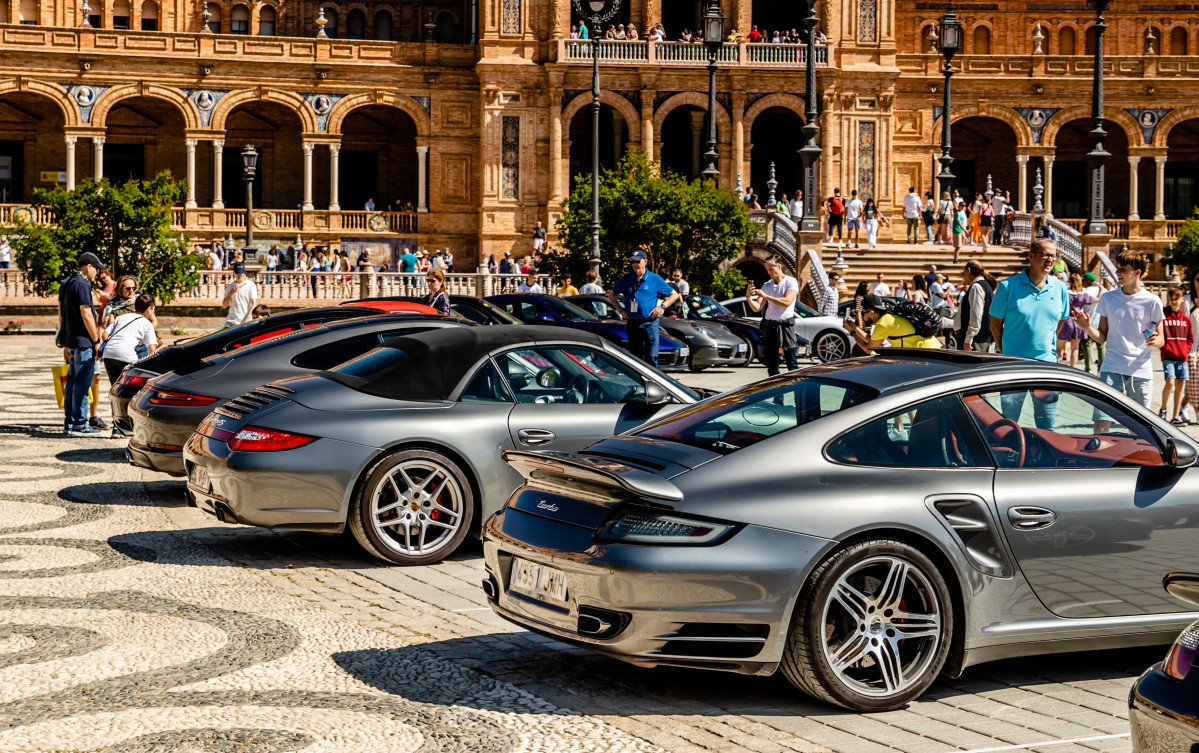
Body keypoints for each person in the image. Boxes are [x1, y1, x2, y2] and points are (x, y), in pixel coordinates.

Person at [989, 239, 1070, 428]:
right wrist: (1006, 351)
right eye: (1046, 255)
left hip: (1046, 366)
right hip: (1013, 366)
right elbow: (995, 326)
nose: (1050, 260)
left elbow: (1060, 320)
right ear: (1031, 256)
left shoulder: (1059, 288)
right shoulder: (1007, 287)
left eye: (1053, 255)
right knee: (1008, 424)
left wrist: (1046, 341)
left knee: (1047, 425)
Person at [1073, 248, 1164, 414]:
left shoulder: (1153, 301)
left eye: (1123, 269)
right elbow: (1101, 338)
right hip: (1111, 368)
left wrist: (1155, 340)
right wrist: (1087, 327)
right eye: (1118, 268)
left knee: (1139, 429)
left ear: (1137, 272)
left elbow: (1161, 339)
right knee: (1102, 420)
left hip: (1140, 370)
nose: (1117, 272)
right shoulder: (1108, 298)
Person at [58, 252, 105, 437]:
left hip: (70, 339)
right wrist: (96, 340)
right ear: (89, 267)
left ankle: (69, 422)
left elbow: (61, 312)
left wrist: (64, 335)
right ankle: (80, 424)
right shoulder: (83, 284)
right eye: (96, 269)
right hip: (84, 341)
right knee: (82, 384)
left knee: (71, 383)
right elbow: (87, 313)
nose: (97, 273)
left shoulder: (67, 283)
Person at [99, 292, 158, 435]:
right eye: (153, 309)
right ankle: (130, 426)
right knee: (133, 392)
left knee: (116, 390)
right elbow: (152, 348)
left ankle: (116, 427)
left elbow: (104, 335)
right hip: (127, 356)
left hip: (109, 355)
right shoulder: (146, 323)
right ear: (149, 309)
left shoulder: (122, 317)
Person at [609, 250, 678, 366]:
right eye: (633, 262)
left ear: (645, 262)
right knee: (636, 359)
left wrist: (661, 307)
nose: (635, 264)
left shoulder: (654, 278)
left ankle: (652, 382)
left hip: (649, 323)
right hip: (632, 323)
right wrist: (620, 309)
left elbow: (674, 295)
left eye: (638, 261)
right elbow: (611, 294)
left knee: (651, 357)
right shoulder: (626, 278)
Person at [746, 259, 799, 375]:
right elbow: (757, 308)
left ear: (779, 266)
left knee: (792, 362)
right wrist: (749, 298)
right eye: (767, 270)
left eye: (771, 269)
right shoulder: (767, 285)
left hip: (785, 325)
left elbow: (786, 301)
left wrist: (766, 296)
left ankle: (798, 390)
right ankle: (775, 392)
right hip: (770, 325)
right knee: (772, 365)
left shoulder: (791, 282)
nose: (769, 273)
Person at [844, 294, 942, 353]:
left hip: (926, 353)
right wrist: (855, 328)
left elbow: (868, 349)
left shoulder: (883, 323)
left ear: (871, 312)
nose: (862, 317)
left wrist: (852, 333)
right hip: (930, 350)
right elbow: (872, 340)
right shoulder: (888, 317)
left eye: (863, 313)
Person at [1160, 286, 1193, 424]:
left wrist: (1185, 350)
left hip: (1182, 357)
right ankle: (1163, 410)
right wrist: (1165, 347)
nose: (1174, 301)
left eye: (1176, 299)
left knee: (1180, 384)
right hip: (1168, 356)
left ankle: (1175, 416)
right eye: (1171, 299)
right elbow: (1158, 332)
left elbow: (1190, 339)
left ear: (1182, 300)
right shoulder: (1163, 315)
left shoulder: (1186, 319)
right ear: (1168, 299)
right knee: (1170, 382)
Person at [1056, 273, 1095, 369]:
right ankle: (1072, 368)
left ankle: (1056, 368)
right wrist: (1101, 290)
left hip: (1065, 321)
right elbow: (1096, 300)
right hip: (1078, 321)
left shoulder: (1065, 293)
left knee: (1059, 349)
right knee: (1075, 348)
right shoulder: (1082, 295)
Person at [958, 260, 994, 353]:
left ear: (968, 271)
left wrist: (968, 339)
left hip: (975, 341)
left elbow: (976, 315)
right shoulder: (986, 286)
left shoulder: (976, 286)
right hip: (981, 339)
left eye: (964, 273)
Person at [222, 262, 258, 328]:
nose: (240, 275)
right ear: (233, 272)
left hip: (245, 322)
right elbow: (224, 306)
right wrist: (231, 293)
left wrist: (247, 319)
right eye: (238, 273)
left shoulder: (251, 285)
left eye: (241, 273)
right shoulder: (230, 286)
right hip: (230, 322)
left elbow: (254, 304)